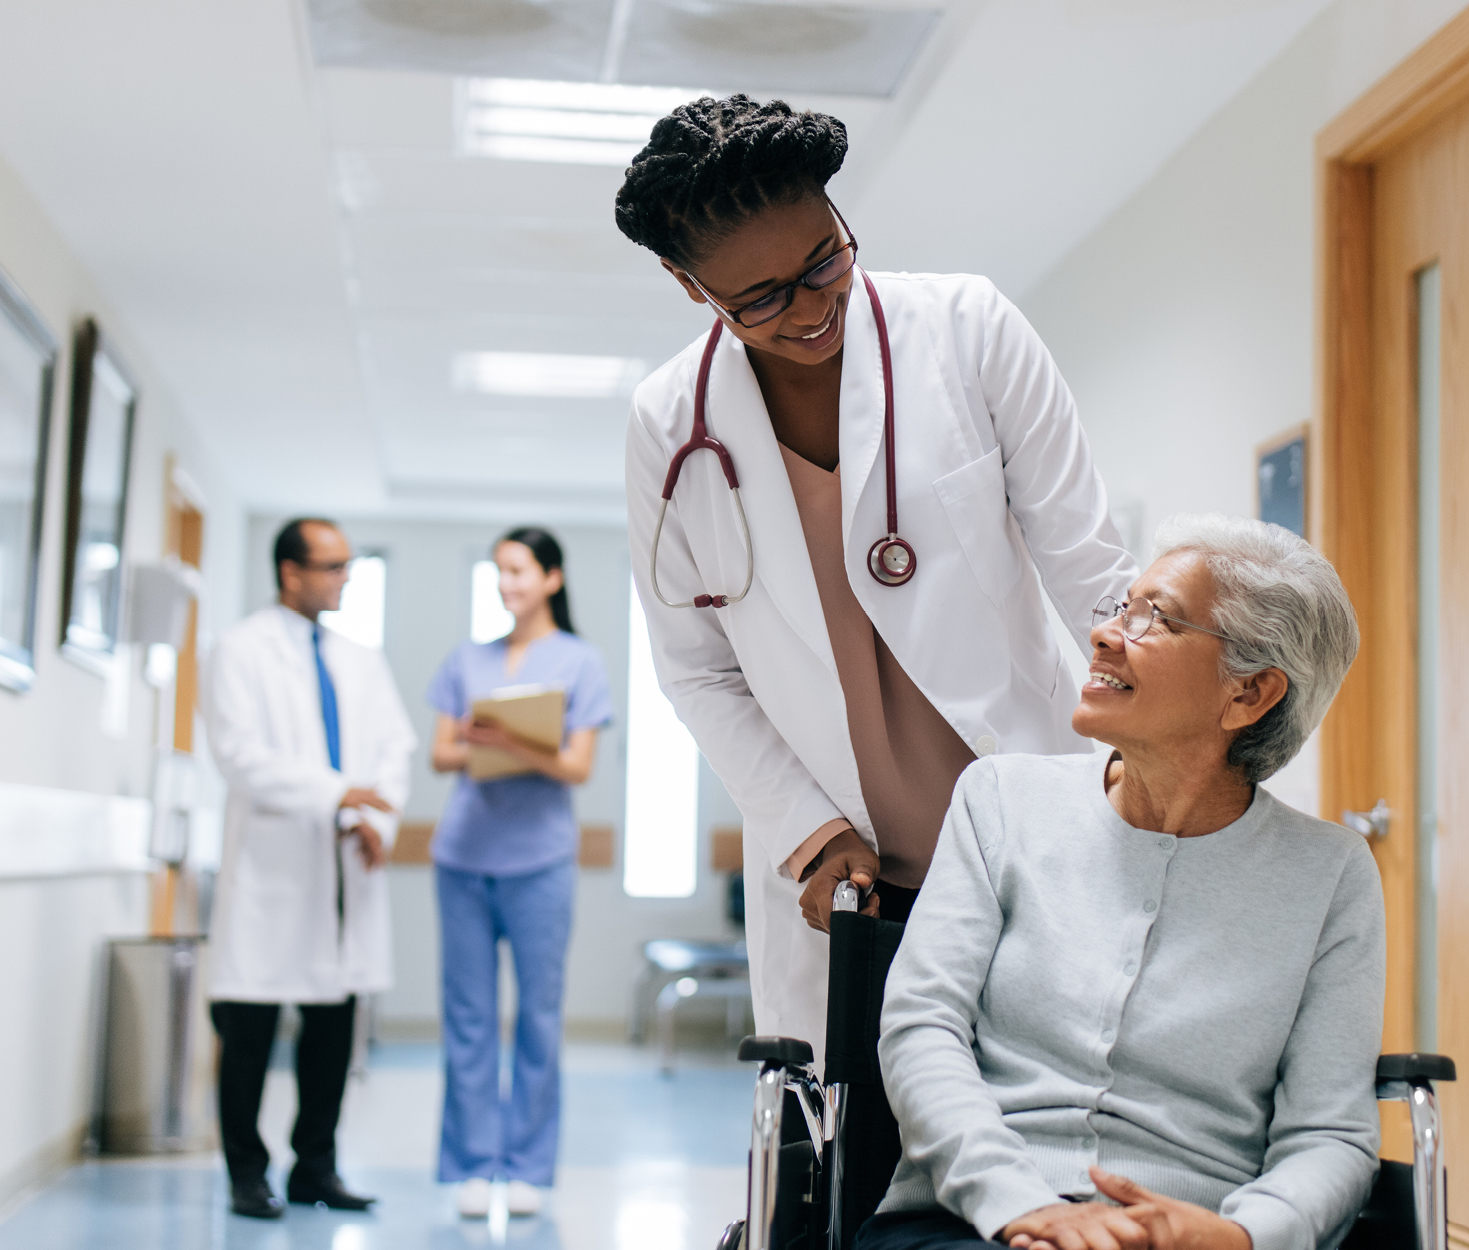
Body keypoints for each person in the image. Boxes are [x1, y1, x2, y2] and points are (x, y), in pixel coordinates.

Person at [616, 95, 1136, 1054]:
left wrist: (1171, 745)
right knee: (850, 1169)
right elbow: (696, 667)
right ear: (688, 284)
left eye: (825, 261)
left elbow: (1092, 569)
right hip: (843, 876)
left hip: (1028, 828)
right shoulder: (668, 423)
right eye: (762, 298)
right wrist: (808, 832)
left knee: (1049, 1144)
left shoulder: (967, 330)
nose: (813, 310)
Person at [862, 514, 1381, 1250]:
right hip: (966, 1222)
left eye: (1157, 619)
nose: (1106, 634)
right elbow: (922, 1029)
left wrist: (1240, 1236)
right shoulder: (1001, 801)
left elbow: (1330, 1134)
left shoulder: (1328, 876)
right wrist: (1019, 1205)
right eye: (1122, 607)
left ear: (1250, 694)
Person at [202, 518, 416, 1220]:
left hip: (344, 862)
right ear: (291, 572)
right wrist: (335, 793)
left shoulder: (360, 659)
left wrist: (373, 819)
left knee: (332, 1027)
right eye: (332, 567)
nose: (344, 578)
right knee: (251, 1032)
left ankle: (314, 1168)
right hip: (275, 862)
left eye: (348, 565)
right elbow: (239, 755)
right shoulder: (239, 650)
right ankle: (246, 1173)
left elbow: (393, 748)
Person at [424, 527, 612, 1220]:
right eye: (499, 571)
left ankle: (528, 1167)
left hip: (540, 864)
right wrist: (476, 740)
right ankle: (473, 1166)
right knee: (468, 1019)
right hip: (462, 858)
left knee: (537, 1016)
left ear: (552, 579)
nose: (508, 583)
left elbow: (577, 767)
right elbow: (440, 755)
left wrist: (515, 743)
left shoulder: (580, 662)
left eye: (520, 571)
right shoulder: (466, 660)